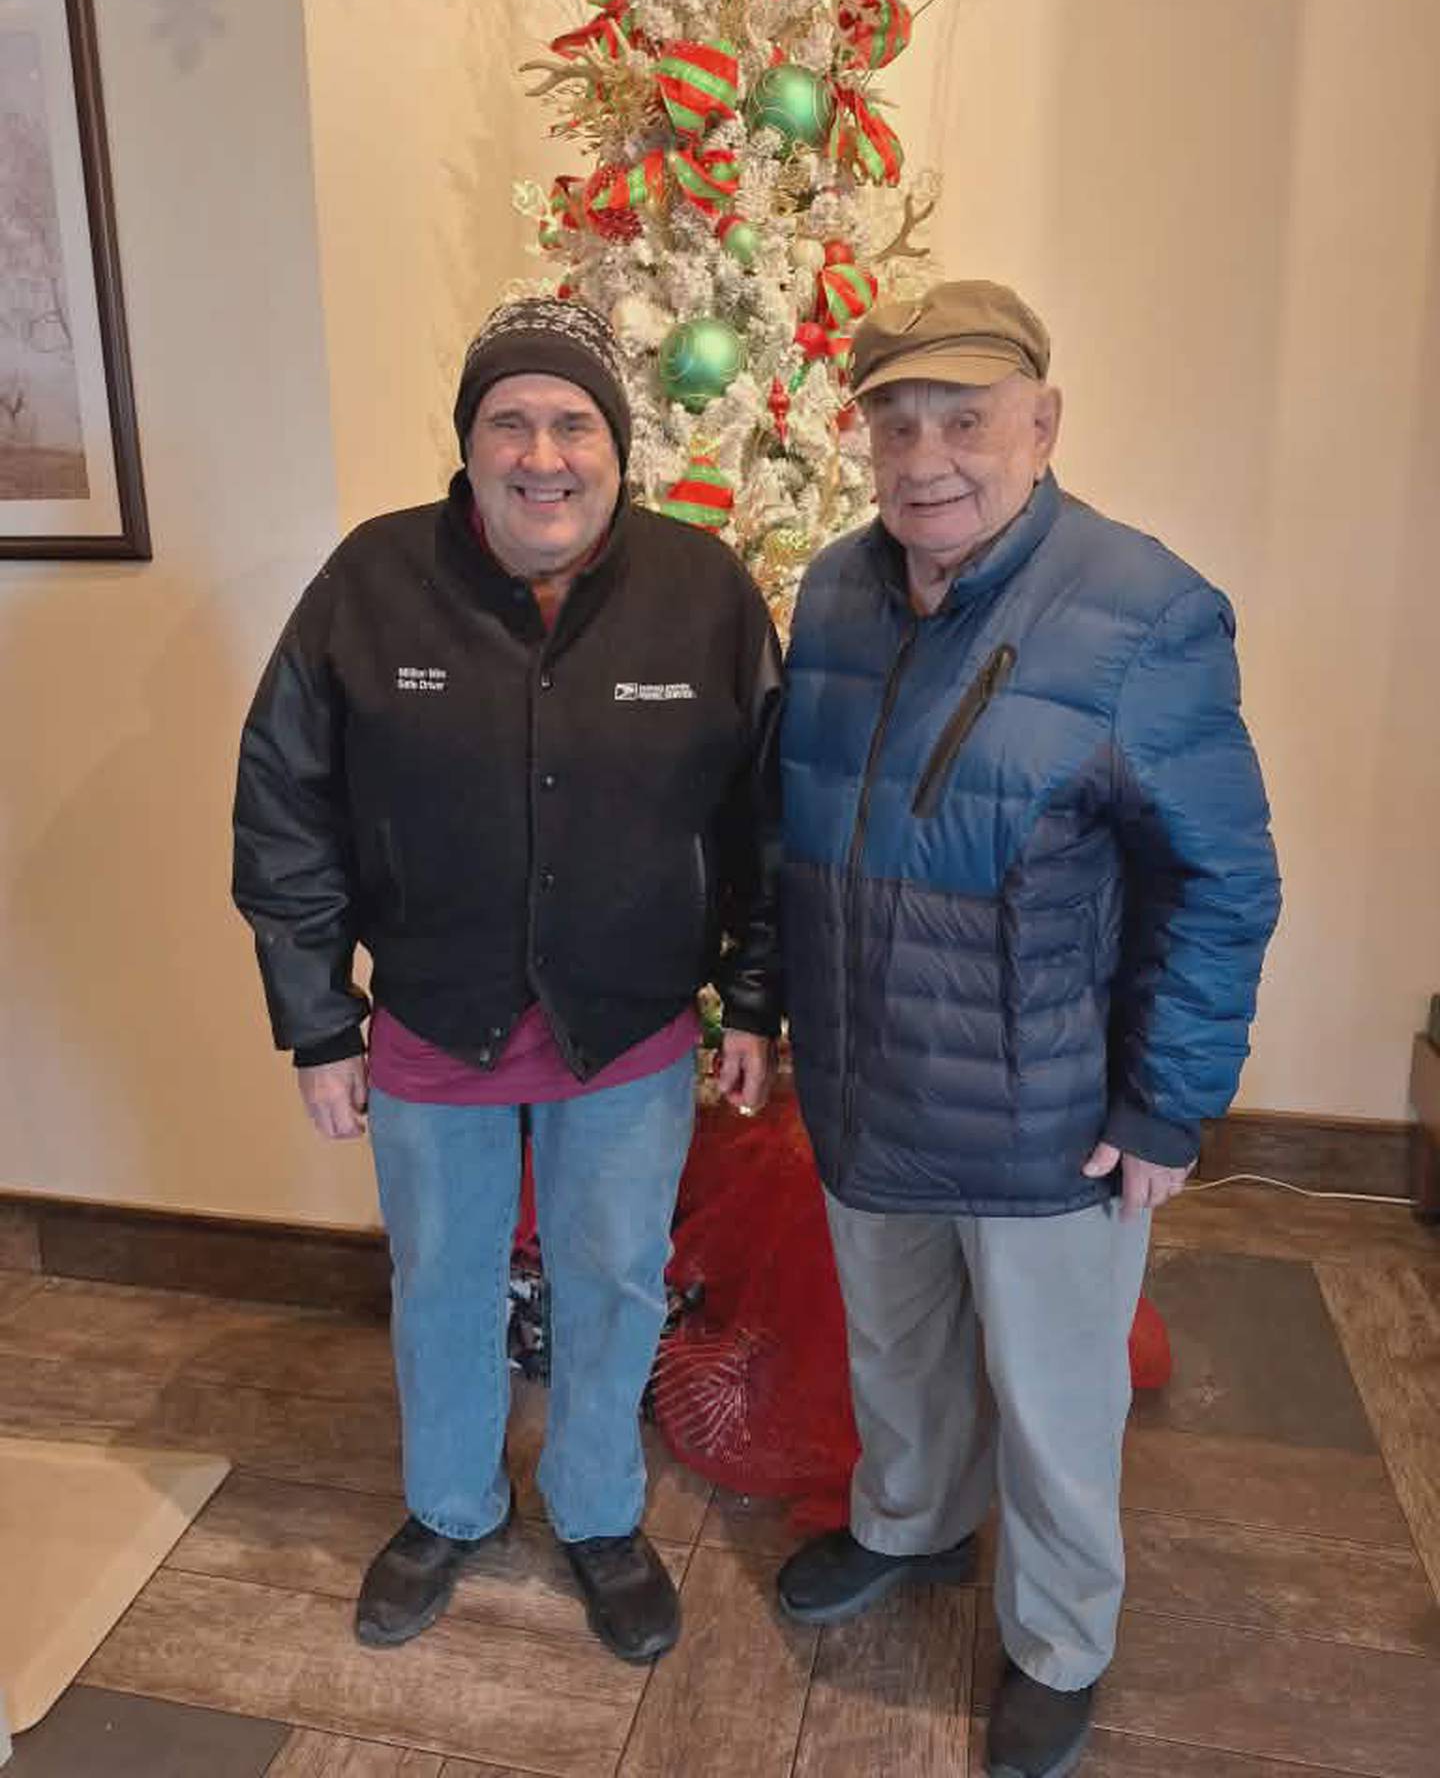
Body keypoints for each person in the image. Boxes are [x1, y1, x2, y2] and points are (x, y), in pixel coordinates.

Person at [775, 280, 1280, 1777]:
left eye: (967, 419)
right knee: (900, 1355)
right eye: (896, 421)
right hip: (869, 1086)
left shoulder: (1148, 610)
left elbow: (1223, 877)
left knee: (1057, 1407)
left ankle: (1061, 1640)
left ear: (1042, 424)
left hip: (1049, 1116)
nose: (928, 455)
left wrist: (1168, 1103)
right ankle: (915, 1527)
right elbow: (783, 826)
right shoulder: (834, 594)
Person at [233, 296, 781, 1664]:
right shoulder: (367, 583)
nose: (544, 453)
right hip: (432, 1015)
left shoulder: (702, 591)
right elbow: (284, 806)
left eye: (574, 422)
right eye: (510, 421)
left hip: (632, 1023)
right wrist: (317, 1020)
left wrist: (756, 999)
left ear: (619, 445)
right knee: (443, 1278)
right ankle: (450, 1506)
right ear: (470, 443)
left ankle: (599, 1513)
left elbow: (772, 817)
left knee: (614, 1278)